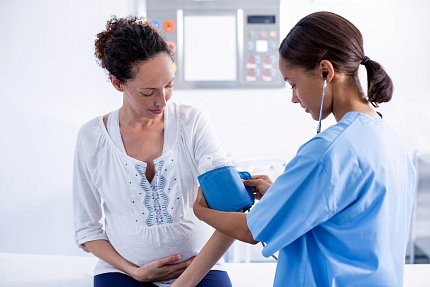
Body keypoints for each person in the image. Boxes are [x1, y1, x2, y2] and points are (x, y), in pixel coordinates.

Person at [189, 11, 417, 287]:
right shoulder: (389, 142)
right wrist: (280, 198)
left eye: (293, 84)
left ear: (325, 71)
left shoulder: (328, 152)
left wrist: (200, 210)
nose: (294, 98)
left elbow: (251, 230)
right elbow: (348, 223)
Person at [73, 16, 234, 287]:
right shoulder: (92, 138)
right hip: (123, 272)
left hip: (199, 266)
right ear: (117, 83)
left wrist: (186, 281)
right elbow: (87, 229)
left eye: (168, 85)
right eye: (148, 92)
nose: (162, 100)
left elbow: (231, 209)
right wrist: (135, 272)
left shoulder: (191, 122)